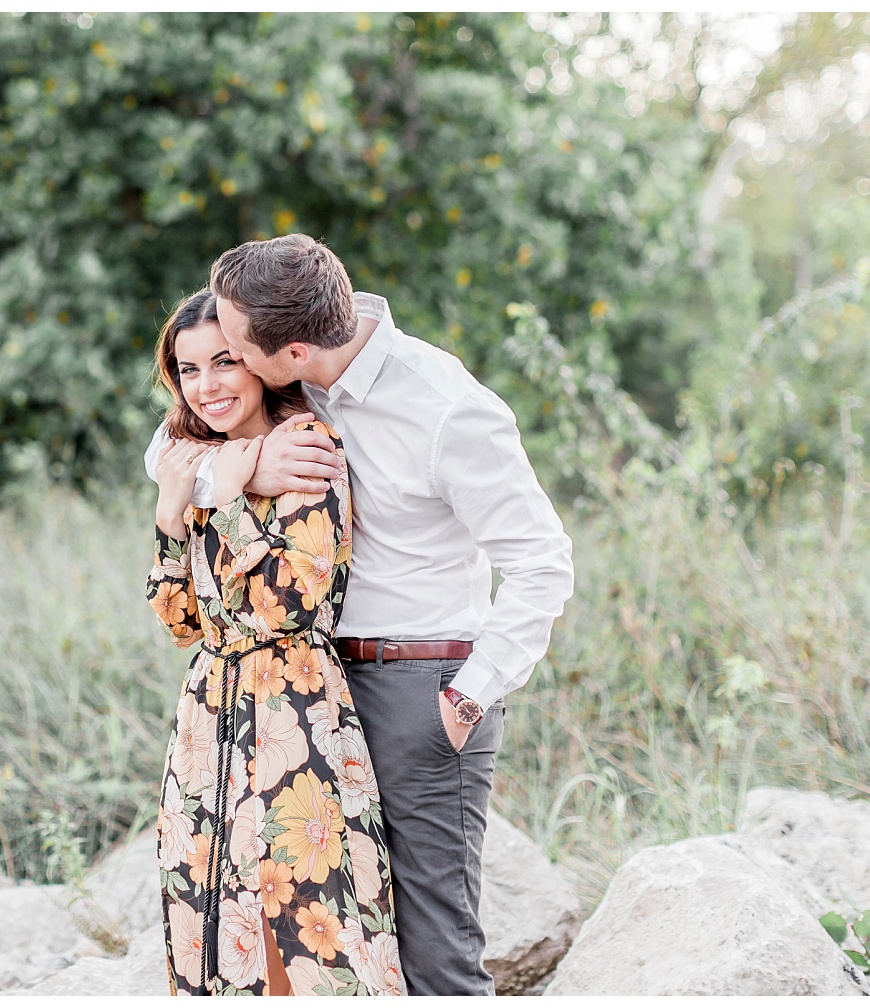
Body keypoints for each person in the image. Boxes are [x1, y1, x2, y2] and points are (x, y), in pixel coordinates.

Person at [145, 236, 575, 996]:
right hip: (315, 697)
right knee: (339, 928)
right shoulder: (295, 376)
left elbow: (544, 562)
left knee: (433, 940)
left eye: (238, 353)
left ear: (295, 352)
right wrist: (237, 467)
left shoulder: (448, 408)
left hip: (423, 685)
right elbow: (170, 445)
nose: (228, 370)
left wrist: (468, 697)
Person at [146, 289, 404, 996]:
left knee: (303, 914)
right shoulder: (195, 463)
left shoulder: (307, 451)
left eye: (224, 362)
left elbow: (288, 605)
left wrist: (230, 504)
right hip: (207, 722)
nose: (207, 387)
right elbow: (181, 622)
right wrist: (175, 518)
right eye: (189, 369)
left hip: (294, 709)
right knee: (209, 913)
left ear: (261, 364)